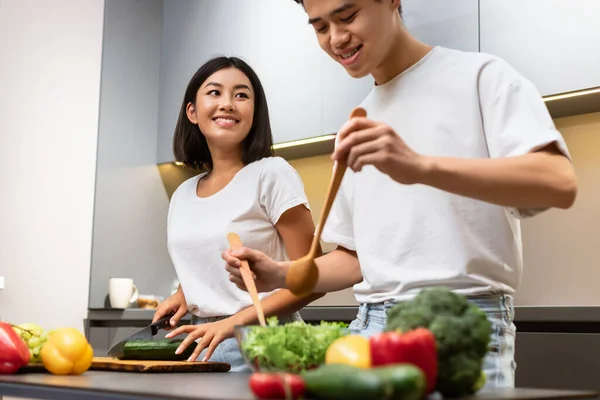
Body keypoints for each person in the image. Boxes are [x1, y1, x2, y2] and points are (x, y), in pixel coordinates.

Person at [222, 0, 578, 387]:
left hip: (459, 325)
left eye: (347, 16)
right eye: (320, 27)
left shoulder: (480, 77)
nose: (337, 39)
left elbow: (558, 182)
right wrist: (279, 273)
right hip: (368, 329)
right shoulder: (358, 122)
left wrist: (420, 166)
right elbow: (355, 259)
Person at [153, 56, 323, 372]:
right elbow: (207, 261)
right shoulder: (182, 194)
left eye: (241, 95)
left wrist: (231, 324)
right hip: (202, 343)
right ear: (192, 111)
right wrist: (183, 294)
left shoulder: (272, 174)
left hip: (265, 340)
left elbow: (313, 277)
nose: (228, 103)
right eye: (215, 93)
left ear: (254, 113)